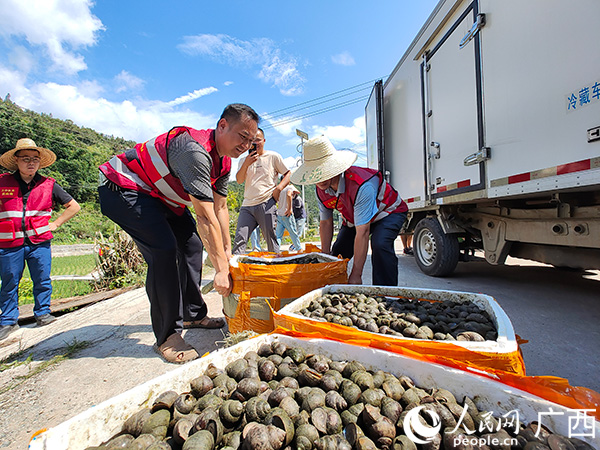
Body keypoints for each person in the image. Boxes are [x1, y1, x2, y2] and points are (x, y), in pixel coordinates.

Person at [98, 103, 259, 364]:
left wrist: (227, 252)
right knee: (164, 250)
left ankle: (192, 313)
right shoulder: (194, 151)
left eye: (251, 140)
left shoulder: (225, 162)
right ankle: (167, 337)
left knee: (192, 245)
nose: (245, 145)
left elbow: (219, 207)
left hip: (159, 195)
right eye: (242, 136)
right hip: (124, 187)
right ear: (222, 125)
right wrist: (219, 269)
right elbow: (205, 217)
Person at [291, 135, 408, 286]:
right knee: (338, 251)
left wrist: (356, 274)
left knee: (380, 245)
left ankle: (385, 294)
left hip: (387, 212)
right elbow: (326, 222)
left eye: (324, 171)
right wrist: (324, 257)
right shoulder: (321, 190)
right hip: (354, 218)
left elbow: (363, 232)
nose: (320, 180)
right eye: (316, 174)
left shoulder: (361, 185)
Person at [0, 138, 81, 340]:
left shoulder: (48, 184)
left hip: (39, 242)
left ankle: (43, 313)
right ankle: (8, 321)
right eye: (25, 158)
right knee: (9, 281)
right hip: (9, 244)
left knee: (42, 279)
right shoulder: (3, 182)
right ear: (16, 161)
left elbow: (74, 206)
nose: (31, 163)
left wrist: (56, 224)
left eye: (35, 159)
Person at [232, 128, 290, 254]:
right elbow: (239, 180)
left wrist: (279, 188)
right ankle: (234, 271)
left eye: (257, 140)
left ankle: (275, 268)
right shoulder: (243, 160)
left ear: (264, 141)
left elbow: (288, 173)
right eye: (251, 140)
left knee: (271, 240)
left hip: (266, 203)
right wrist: (246, 163)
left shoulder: (273, 156)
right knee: (240, 240)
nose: (254, 143)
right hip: (247, 205)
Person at [275, 185, 303, 252]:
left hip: (279, 214)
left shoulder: (279, 188)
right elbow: (290, 194)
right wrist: (289, 208)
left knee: (278, 235)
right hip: (287, 214)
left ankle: (276, 250)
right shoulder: (289, 187)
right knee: (293, 232)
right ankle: (299, 248)